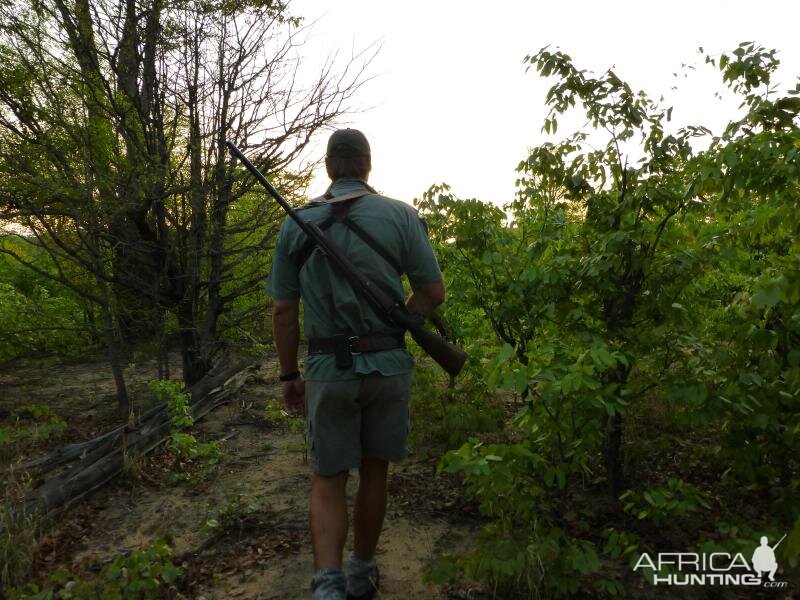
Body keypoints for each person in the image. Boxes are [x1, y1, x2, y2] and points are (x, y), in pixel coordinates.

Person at [267, 128, 445, 600]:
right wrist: (400, 322)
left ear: (329, 167)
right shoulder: (402, 216)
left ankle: (328, 586)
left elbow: (283, 310)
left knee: (327, 478)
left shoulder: (295, 223)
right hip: (388, 367)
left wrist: (289, 375)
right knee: (374, 472)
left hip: (327, 371)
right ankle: (362, 572)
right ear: (368, 165)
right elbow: (432, 293)